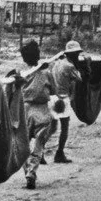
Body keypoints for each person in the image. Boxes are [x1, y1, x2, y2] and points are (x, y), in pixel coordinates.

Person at [19, 40, 56, 189]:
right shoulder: (46, 72)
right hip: (41, 110)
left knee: (22, 144)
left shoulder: (20, 73)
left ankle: (27, 169)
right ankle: (32, 170)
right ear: (38, 55)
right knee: (39, 143)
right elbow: (54, 90)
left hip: (24, 110)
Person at [50, 40, 84, 163]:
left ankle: (40, 151)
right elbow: (79, 79)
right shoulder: (70, 66)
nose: (77, 55)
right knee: (64, 127)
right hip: (63, 97)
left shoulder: (56, 63)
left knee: (51, 127)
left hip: (53, 97)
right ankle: (59, 153)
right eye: (76, 53)